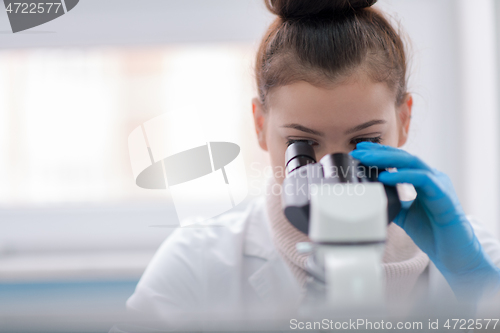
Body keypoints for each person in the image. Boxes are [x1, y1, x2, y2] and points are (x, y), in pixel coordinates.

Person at [124, 0, 500, 328]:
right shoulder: (198, 262)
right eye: (301, 145)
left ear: (404, 120)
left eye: (364, 142)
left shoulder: (474, 253)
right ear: (259, 125)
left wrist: (476, 282)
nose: (332, 172)